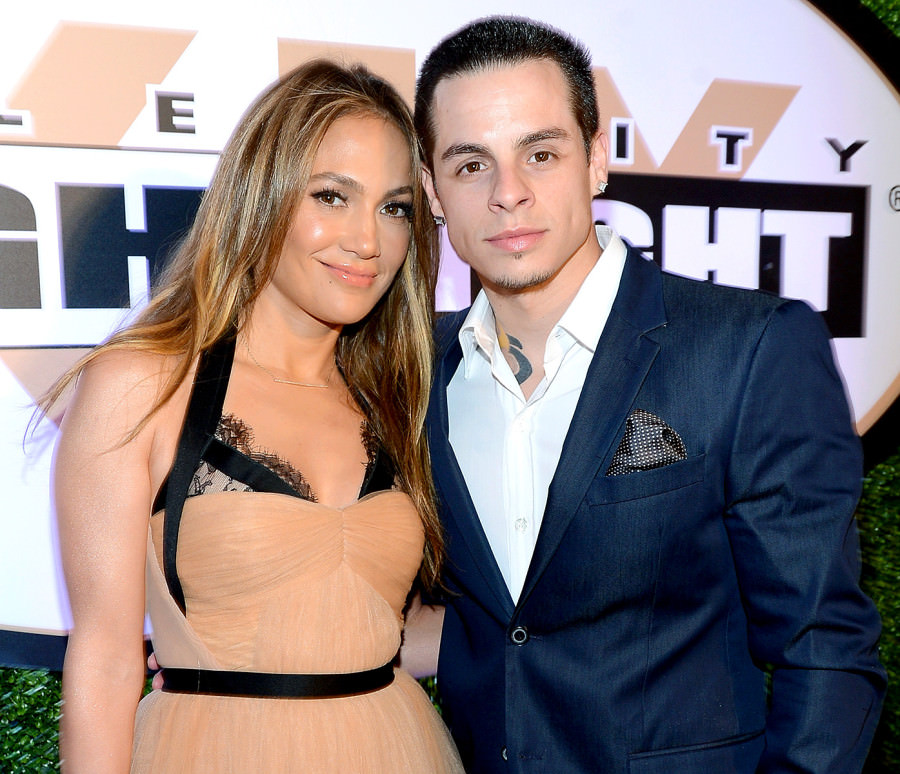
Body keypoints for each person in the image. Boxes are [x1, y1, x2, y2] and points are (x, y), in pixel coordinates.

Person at [411, 15, 886, 773]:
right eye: (471, 165)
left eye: (541, 153)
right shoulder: (413, 369)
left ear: (596, 160)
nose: (508, 194)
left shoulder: (748, 349)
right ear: (433, 190)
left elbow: (823, 647)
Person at [51, 60, 463, 773]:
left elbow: (393, 628)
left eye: (394, 208)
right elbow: (107, 660)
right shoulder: (143, 384)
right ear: (261, 194)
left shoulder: (402, 397)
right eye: (332, 196)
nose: (367, 240)